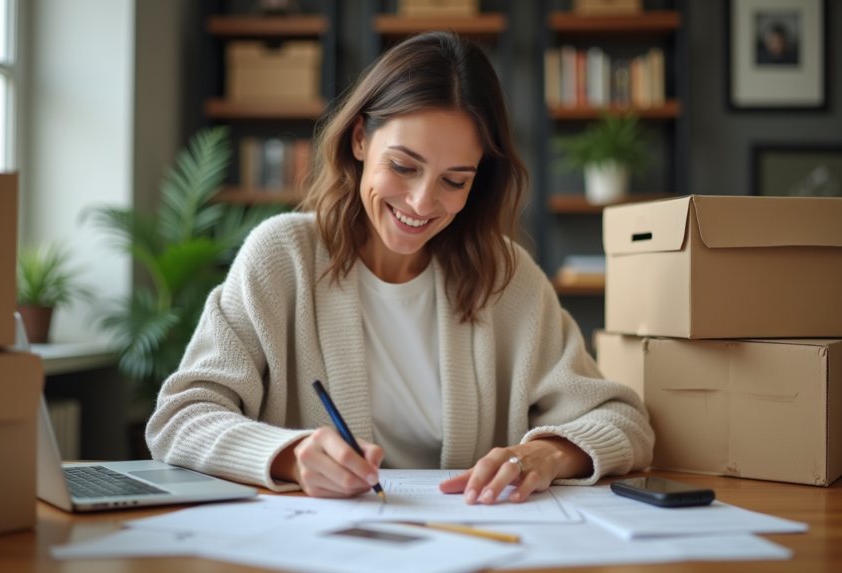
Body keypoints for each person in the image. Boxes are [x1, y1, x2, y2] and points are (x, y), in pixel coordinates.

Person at [146, 31, 653, 504]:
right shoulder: (282, 257)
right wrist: (290, 457)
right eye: (404, 166)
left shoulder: (506, 277)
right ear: (361, 139)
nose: (421, 201)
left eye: (455, 181)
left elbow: (622, 421)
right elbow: (180, 418)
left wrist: (544, 454)